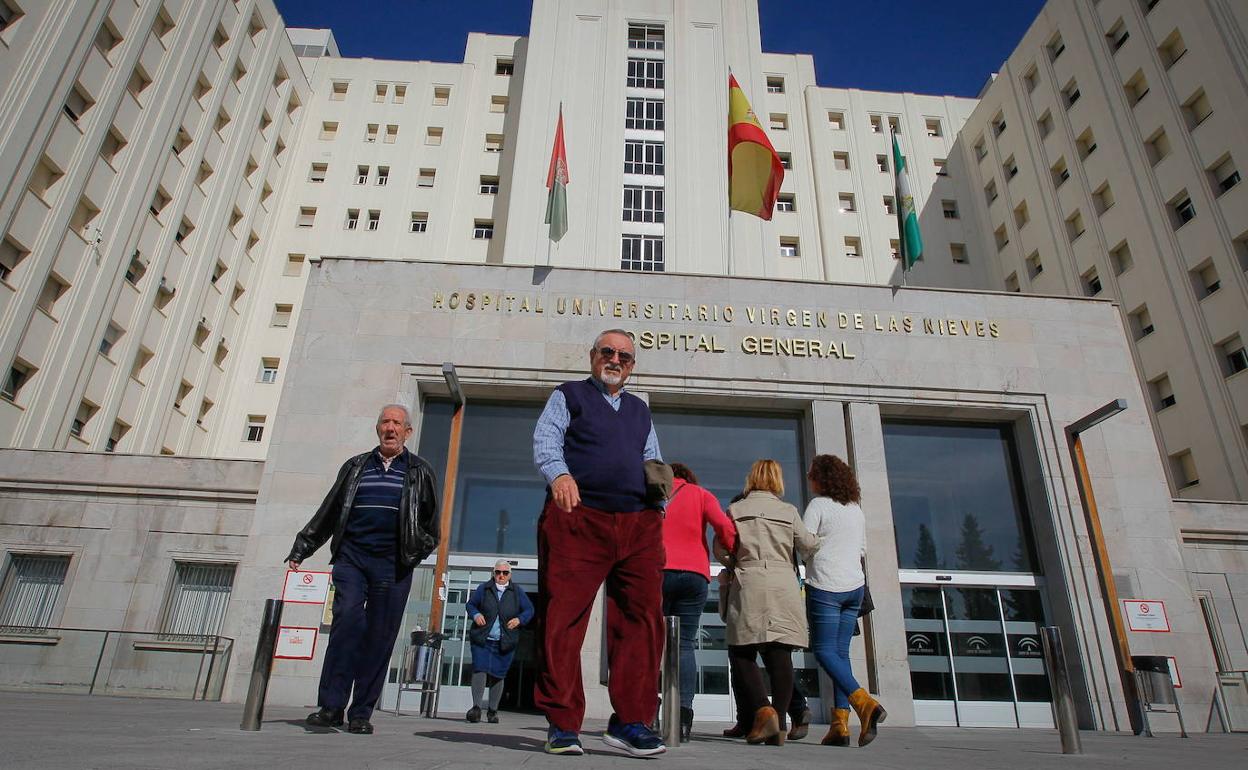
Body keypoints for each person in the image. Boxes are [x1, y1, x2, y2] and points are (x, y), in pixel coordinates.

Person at [532, 329, 666, 757]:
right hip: (578, 519)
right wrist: (560, 474)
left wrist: (660, 504)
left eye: (624, 356)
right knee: (563, 619)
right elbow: (546, 440)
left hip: (637, 524)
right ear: (592, 356)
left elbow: (651, 459)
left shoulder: (640, 410)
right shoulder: (569, 395)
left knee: (642, 621)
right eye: (607, 352)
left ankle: (631, 721)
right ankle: (562, 723)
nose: (615, 359)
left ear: (632, 365)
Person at [285, 404, 440, 735]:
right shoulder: (356, 467)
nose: (391, 428)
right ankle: (330, 707)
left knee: (379, 637)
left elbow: (431, 525)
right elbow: (329, 509)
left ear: (408, 432)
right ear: (377, 429)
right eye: (385, 422)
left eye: (397, 423)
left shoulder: (420, 471)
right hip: (352, 557)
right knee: (347, 624)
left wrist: (412, 554)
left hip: (392, 563)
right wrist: (303, 546)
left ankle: (361, 712)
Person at [721, 459, 819, 746]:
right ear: (778, 480)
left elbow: (723, 549)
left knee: (741, 651)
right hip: (782, 584)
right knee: (780, 653)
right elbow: (808, 545)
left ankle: (764, 711)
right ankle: (779, 721)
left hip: (749, 581)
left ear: (751, 478)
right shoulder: (788, 512)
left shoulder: (736, 510)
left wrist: (736, 560)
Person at [802, 454, 887, 747]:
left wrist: (809, 556)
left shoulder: (818, 506)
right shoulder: (855, 509)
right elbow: (862, 549)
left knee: (824, 651)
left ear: (821, 478)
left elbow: (805, 543)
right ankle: (840, 725)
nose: (808, 478)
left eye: (811, 474)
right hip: (855, 587)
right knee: (840, 654)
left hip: (826, 585)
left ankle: (865, 704)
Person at [661, 462, 737, 742]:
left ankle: (642, 714)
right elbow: (724, 527)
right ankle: (682, 718)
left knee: (648, 642)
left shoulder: (655, 495)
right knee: (684, 645)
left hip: (657, 571)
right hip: (693, 574)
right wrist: (735, 553)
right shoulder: (701, 494)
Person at [464, 559, 535, 724]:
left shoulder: (517, 592)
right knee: (479, 669)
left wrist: (519, 619)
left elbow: (529, 609)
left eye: (505, 573)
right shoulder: (484, 589)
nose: (501, 576)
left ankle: (493, 710)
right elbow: (471, 605)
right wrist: (476, 615)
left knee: (498, 674)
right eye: (498, 572)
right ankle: (476, 708)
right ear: (493, 573)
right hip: (482, 638)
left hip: (505, 641)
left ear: (510, 575)